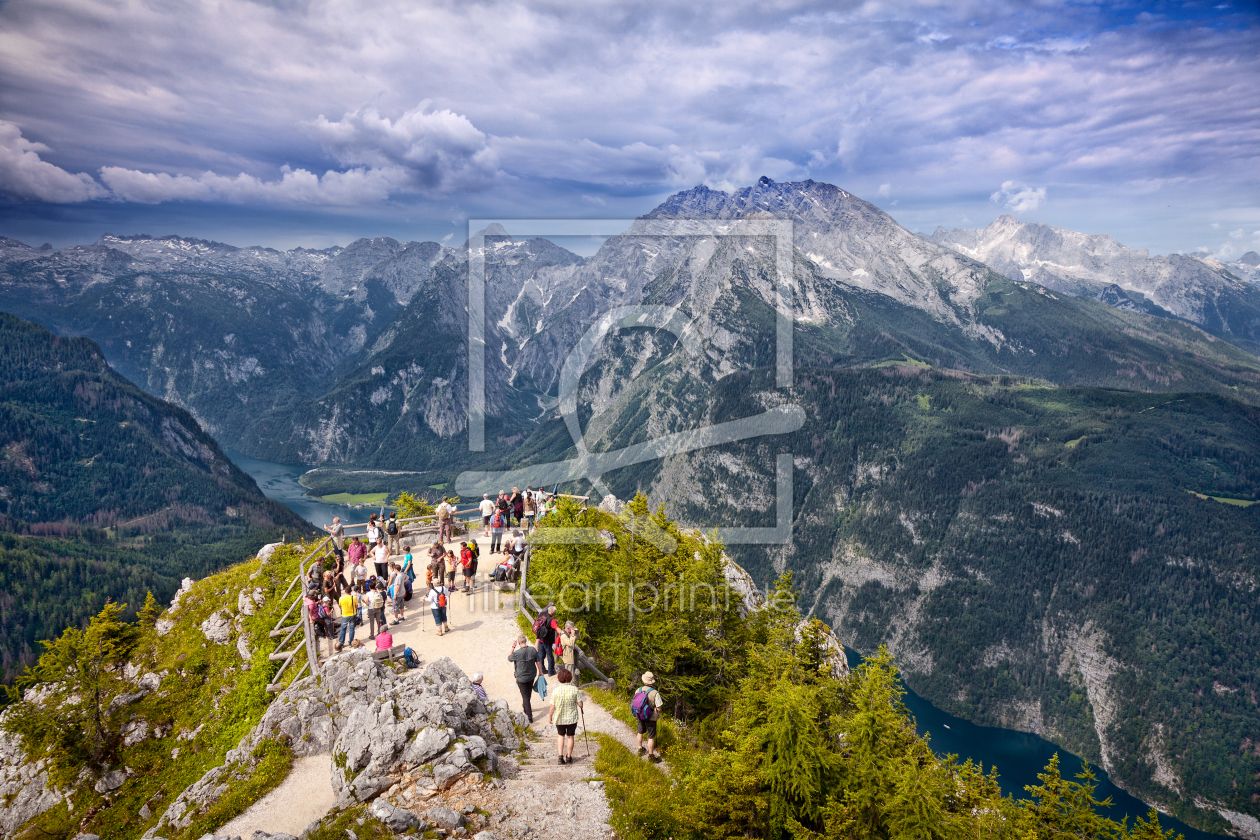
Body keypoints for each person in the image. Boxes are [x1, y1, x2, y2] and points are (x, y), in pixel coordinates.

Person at [549, 668, 583, 765]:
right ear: (570, 678)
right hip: (572, 718)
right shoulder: (574, 689)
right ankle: (568, 757)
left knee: (560, 735)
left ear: (559, 678)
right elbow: (580, 704)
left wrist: (550, 717)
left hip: (559, 718)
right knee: (570, 737)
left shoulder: (556, 691)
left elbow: (552, 707)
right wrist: (580, 704)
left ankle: (560, 757)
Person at [509, 633, 541, 721]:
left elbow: (509, 658)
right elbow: (538, 662)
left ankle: (529, 717)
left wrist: (512, 647)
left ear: (519, 643)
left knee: (525, 697)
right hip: (531, 676)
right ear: (525, 641)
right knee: (528, 694)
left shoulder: (516, 653)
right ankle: (525, 707)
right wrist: (541, 672)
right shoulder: (533, 650)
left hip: (521, 677)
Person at [634, 672, 664, 762]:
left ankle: (640, 749)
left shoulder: (638, 690)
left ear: (644, 681)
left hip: (640, 714)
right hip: (650, 717)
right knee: (651, 736)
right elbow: (659, 708)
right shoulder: (655, 693)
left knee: (640, 732)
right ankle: (651, 756)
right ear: (652, 682)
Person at [534, 603, 559, 676]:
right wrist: (563, 633)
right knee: (550, 656)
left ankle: (543, 669)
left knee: (541, 655)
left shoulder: (543, 615)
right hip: (547, 640)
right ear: (552, 611)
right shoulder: (551, 619)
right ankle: (551, 671)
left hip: (541, 638)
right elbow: (556, 628)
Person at [559, 621, 580, 685]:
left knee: (570, 672)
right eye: (572, 628)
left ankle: (568, 685)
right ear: (568, 628)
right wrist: (573, 635)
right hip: (567, 656)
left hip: (570, 655)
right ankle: (568, 686)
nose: (572, 629)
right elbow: (570, 643)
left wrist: (576, 633)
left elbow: (576, 638)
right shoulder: (563, 636)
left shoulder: (568, 633)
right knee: (569, 673)